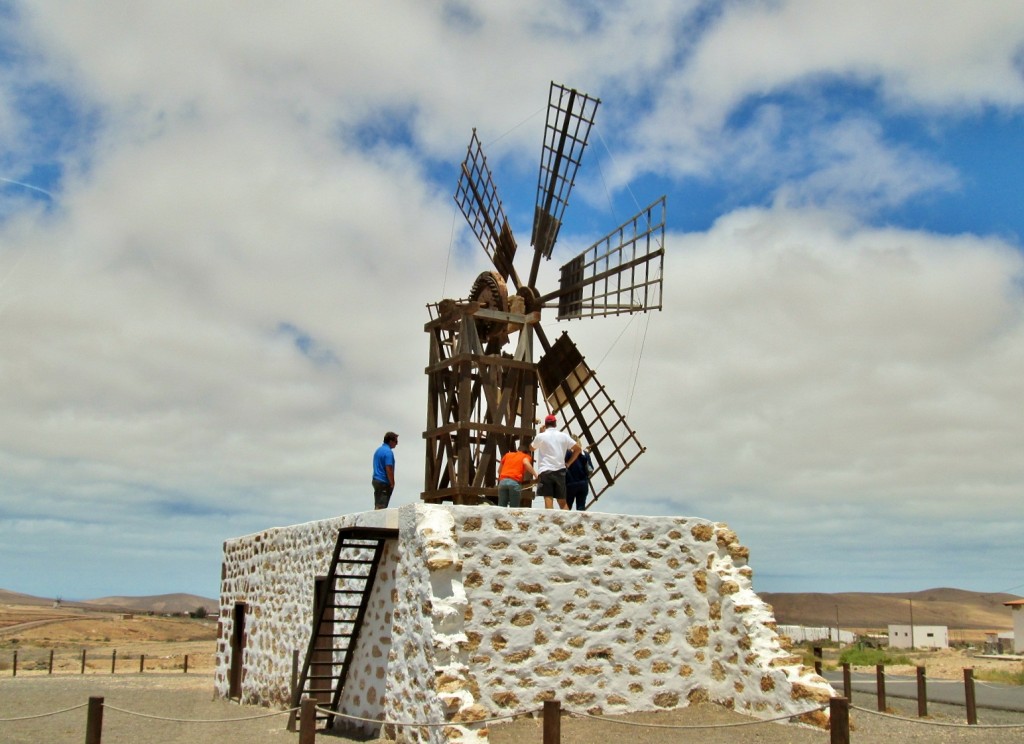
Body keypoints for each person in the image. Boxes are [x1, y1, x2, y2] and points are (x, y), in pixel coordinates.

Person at [531, 414, 581, 510]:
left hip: (545, 470)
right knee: (562, 501)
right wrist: (568, 464)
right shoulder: (564, 436)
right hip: (560, 471)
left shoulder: (541, 436)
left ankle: (550, 522)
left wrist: (540, 433)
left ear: (545, 424)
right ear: (555, 424)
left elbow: (532, 448)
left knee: (548, 498)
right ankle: (567, 523)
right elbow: (578, 449)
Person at [496, 442, 537, 508]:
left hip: (502, 482)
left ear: (518, 450)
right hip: (514, 482)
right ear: (527, 452)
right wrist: (535, 475)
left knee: (501, 507)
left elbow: (499, 471)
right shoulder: (526, 456)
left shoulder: (508, 455)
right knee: (514, 508)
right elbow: (526, 463)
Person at [372, 432, 398, 510]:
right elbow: (389, 468)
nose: (397, 444)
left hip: (376, 480)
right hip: (384, 482)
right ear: (390, 441)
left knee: (378, 505)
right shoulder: (388, 452)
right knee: (381, 507)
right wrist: (392, 482)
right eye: (396, 441)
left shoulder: (378, 450)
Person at [565, 441, 592, 511]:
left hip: (570, 483)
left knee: (567, 506)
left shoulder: (567, 453)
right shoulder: (585, 454)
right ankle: (580, 522)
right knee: (581, 507)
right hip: (583, 483)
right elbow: (591, 468)